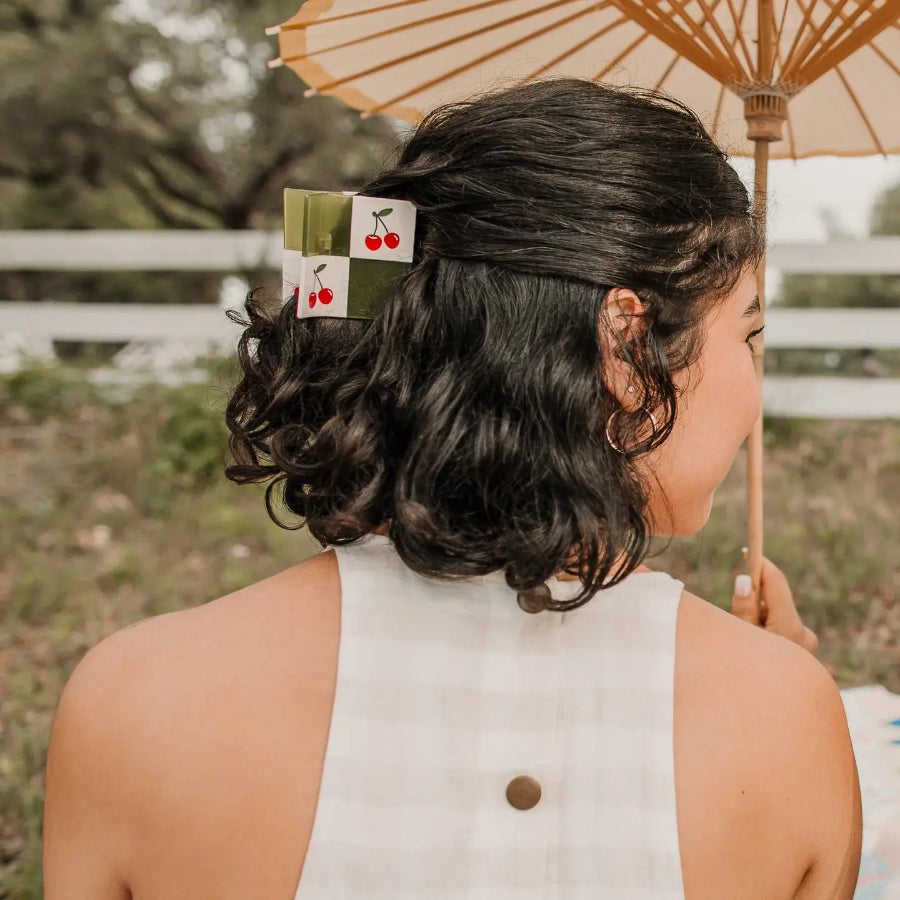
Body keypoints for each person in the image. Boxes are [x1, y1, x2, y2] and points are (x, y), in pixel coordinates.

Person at [43, 78, 861, 898]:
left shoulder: (132, 701)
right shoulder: (783, 724)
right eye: (750, 333)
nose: (755, 384)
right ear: (626, 349)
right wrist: (773, 694)